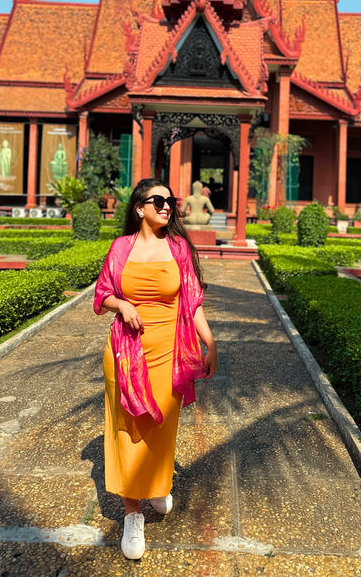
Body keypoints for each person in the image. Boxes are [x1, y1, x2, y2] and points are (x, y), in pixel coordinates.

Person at [93, 178, 217, 560]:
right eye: (157, 200)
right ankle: (133, 515)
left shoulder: (179, 248)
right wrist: (121, 305)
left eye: (170, 201)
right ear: (139, 208)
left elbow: (192, 300)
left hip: (170, 351)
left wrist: (209, 343)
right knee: (130, 430)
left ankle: (159, 484)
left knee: (161, 426)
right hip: (126, 353)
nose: (166, 206)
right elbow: (102, 293)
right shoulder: (120, 248)